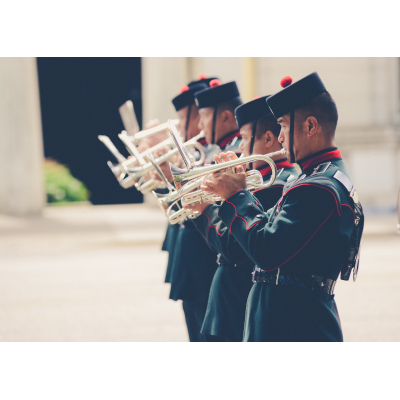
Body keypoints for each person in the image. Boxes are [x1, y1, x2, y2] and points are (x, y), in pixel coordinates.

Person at [200, 72, 364, 341]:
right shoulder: (317, 176)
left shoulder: (317, 186)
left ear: (310, 127)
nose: (279, 136)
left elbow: (267, 250)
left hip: (295, 323)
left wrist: (237, 195)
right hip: (291, 318)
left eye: (284, 126)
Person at [185, 95, 298, 341]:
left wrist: (204, 209)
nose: (240, 148)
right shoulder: (258, 179)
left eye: (245, 139)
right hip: (230, 301)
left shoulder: (275, 183)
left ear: (268, 139)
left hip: (238, 300)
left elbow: (232, 248)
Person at [165, 75, 219, 342]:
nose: (195, 125)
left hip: (207, 261)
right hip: (191, 257)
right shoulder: (200, 150)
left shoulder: (217, 152)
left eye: (187, 118)